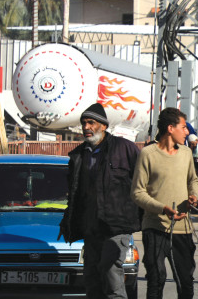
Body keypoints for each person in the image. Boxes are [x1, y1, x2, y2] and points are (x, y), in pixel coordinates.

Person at [60, 103, 141, 299]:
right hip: (91, 225)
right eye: (83, 123)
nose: (86, 127)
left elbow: (144, 180)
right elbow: (75, 191)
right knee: (92, 277)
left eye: (91, 123)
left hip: (116, 225)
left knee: (111, 271)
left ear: (103, 126)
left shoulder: (124, 148)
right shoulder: (79, 155)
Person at [131, 108, 198, 299]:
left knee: (185, 281)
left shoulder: (186, 153)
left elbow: (193, 180)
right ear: (170, 128)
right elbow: (137, 192)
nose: (187, 132)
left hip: (183, 229)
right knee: (156, 279)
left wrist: (194, 195)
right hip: (155, 227)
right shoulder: (147, 154)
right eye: (184, 127)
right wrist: (162, 208)